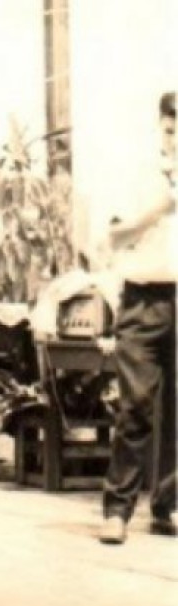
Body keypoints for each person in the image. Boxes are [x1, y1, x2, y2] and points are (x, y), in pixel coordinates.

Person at [99, 91, 176, 545]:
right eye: (171, 128)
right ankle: (117, 509)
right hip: (144, 298)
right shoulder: (136, 174)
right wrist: (158, 211)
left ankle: (168, 505)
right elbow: (113, 235)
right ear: (161, 125)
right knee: (136, 406)